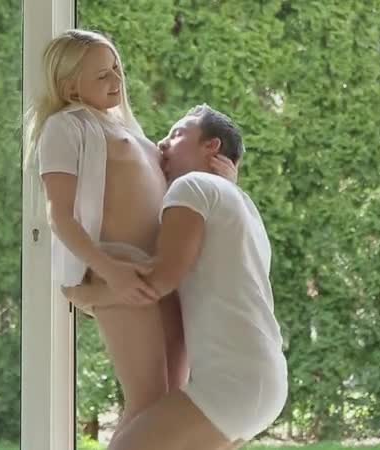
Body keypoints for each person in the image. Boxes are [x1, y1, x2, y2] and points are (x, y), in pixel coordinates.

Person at [25, 29, 238, 440]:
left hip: (163, 273)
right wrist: (109, 270)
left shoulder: (129, 129)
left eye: (116, 68)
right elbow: (60, 215)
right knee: (147, 400)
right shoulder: (66, 127)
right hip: (122, 268)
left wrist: (225, 183)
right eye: (101, 75)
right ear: (69, 87)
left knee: (173, 402)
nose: (116, 80)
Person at [64, 104, 288, 450]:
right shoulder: (241, 204)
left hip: (234, 382)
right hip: (258, 378)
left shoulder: (192, 186)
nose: (162, 143)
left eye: (177, 134)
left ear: (211, 146)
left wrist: (89, 295)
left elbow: (159, 280)